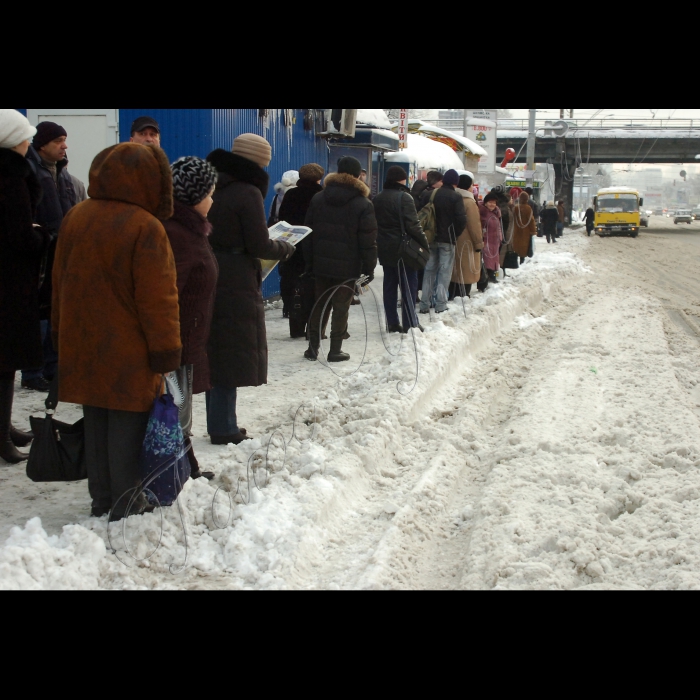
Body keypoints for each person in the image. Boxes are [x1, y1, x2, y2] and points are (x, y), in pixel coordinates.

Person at [52, 143, 182, 520]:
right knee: (128, 423)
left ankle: (101, 497)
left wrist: (60, 336)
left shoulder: (76, 216)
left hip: (82, 342)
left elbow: (59, 283)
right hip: (129, 348)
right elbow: (159, 300)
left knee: (96, 420)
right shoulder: (146, 227)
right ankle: (126, 503)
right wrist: (166, 352)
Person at [206, 135, 295, 445]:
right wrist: (285, 247)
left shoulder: (211, 183)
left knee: (213, 349)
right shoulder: (248, 192)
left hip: (209, 270)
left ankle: (217, 421)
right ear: (259, 161)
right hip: (235, 277)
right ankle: (223, 426)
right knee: (230, 351)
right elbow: (258, 243)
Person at [162, 157, 220, 481]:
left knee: (180, 406)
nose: (213, 199)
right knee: (176, 407)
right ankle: (176, 472)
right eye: (210, 192)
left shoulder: (190, 228)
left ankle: (186, 468)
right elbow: (169, 291)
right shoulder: (178, 233)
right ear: (195, 195)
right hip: (177, 337)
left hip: (188, 334)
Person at [0, 110, 51, 464]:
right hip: (9, 282)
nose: (28, 142)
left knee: (7, 364)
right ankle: (1, 437)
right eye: (25, 136)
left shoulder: (14, 173)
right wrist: (41, 236)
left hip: (10, 280)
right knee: (4, 362)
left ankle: (5, 427)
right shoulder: (9, 176)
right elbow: (17, 235)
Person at [303, 156, 378, 362]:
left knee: (320, 303)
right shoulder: (363, 204)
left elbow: (308, 233)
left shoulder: (318, 198)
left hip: (320, 263)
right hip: (349, 266)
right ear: (357, 175)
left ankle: (312, 347)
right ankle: (335, 350)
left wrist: (309, 262)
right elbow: (368, 240)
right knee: (341, 305)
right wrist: (369, 268)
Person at [22, 122, 79, 392]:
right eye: (58, 140)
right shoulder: (29, 173)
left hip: (61, 254)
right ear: (41, 144)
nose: (64, 146)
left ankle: (52, 367)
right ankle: (32, 371)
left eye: (65, 140)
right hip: (37, 256)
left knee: (57, 310)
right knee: (37, 314)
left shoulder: (65, 176)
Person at [373, 165, 428, 333]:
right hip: (403, 249)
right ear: (402, 180)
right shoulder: (405, 198)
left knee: (389, 285)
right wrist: (424, 244)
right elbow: (414, 225)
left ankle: (392, 322)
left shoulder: (377, 198)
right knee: (408, 286)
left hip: (384, 247)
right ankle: (410, 322)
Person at [278, 163, 325, 338]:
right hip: (313, 246)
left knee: (292, 283)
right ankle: (312, 327)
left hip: (292, 244)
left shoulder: (290, 194)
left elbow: (281, 218)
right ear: (319, 178)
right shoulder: (320, 195)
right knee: (312, 287)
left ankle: (295, 324)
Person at [419, 169, 466, 314]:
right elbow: (461, 220)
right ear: (455, 183)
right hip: (447, 240)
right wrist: (455, 234)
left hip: (430, 238)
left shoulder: (429, 194)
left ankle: (424, 304)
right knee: (445, 272)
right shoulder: (456, 197)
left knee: (429, 270)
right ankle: (440, 304)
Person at [450, 174, 483, 299]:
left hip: (454, 239)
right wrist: (479, 243)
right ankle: (463, 296)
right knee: (466, 270)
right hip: (467, 241)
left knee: (455, 270)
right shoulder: (469, 202)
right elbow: (474, 225)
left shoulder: (453, 198)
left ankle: (453, 295)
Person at [480, 192, 504, 284]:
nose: (492, 204)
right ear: (485, 203)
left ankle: (494, 277)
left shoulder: (496, 213)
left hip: (495, 242)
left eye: (494, 203)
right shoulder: (482, 213)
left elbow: (498, 227)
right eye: (490, 202)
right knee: (487, 262)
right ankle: (487, 280)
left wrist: (500, 238)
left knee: (494, 262)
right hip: (486, 242)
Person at [513, 191, 537, 263]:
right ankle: (522, 260)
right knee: (524, 245)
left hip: (516, 229)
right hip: (526, 230)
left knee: (517, 244)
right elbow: (531, 220)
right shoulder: (528, 208)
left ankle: (515, 259)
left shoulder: (516, 208)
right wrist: (533, 231)